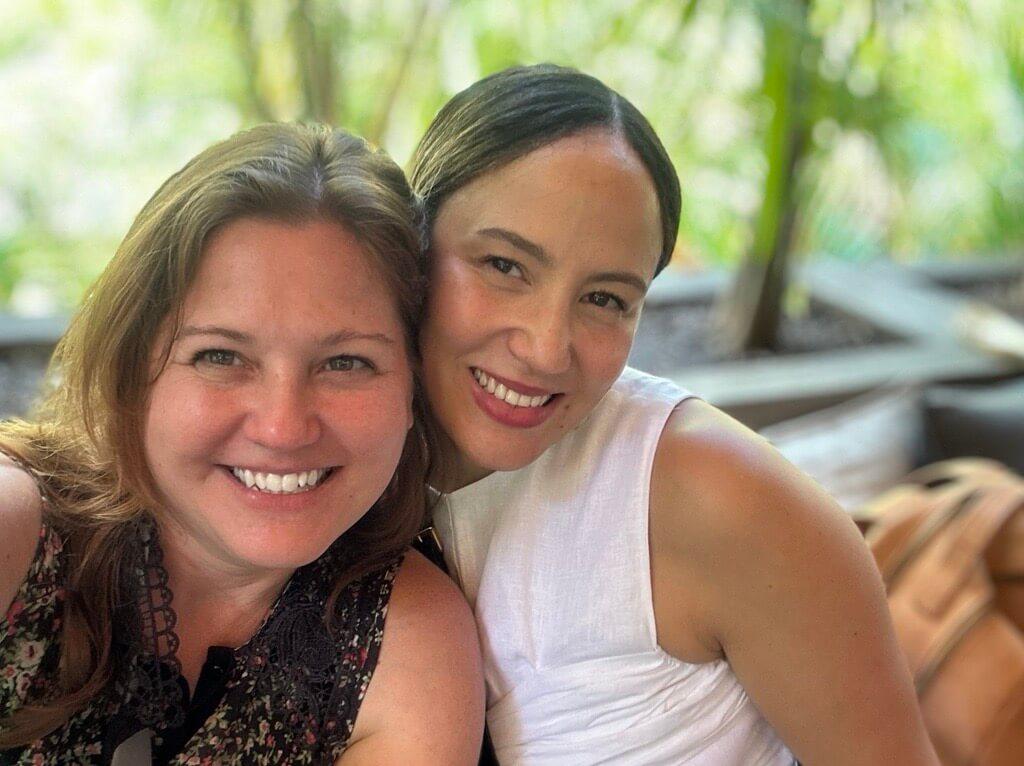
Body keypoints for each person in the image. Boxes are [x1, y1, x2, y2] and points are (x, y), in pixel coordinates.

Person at [410, 64, 939, 765]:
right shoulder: (323, 464)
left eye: (605, 299)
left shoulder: (719, 496)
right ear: (412, 242)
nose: (544, 348)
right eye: (505, 265)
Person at [0, 123, 483, 764]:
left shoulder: (406, 642)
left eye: (345, 362)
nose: (283, 427)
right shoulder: (16, 527)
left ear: (413, 390)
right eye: (221, 355)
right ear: (130, 366)